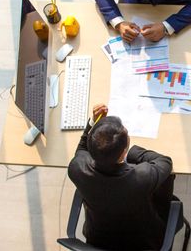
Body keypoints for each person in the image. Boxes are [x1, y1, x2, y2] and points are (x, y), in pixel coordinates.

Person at [68, 104, 175, 250]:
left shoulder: (77, 168)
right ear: (123, 153)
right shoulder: (140, 177)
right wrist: (134, 153)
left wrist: (93, 125)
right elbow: (165, 162)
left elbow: (81, 150)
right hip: (145, 241)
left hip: (99, 239)